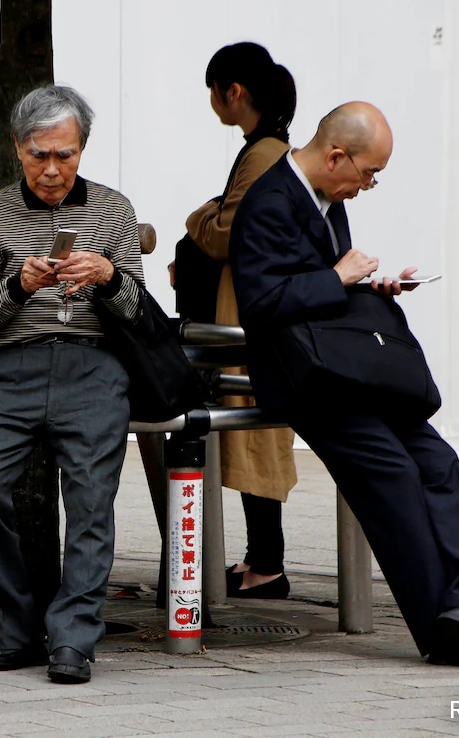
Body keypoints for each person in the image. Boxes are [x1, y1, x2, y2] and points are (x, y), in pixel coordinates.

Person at [230, 101, 459, 670]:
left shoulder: (327, 198)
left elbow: (323, 285)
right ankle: (441, 629)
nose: (368, 185)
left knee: (438, 460)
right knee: (393, 473)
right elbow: (261, 304)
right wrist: (336, 278)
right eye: (369, 173)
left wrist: (371, 286)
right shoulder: (270, 202)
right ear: (334, 156)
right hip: (309, 382)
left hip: (347, 367)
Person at [0, 84, 143, 685]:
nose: (53, 169)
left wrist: (109, 276)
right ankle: (14, 628)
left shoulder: (114, 210)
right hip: (13, 368)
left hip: (94, 367)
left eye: (65, 154)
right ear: (18, 149)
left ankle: (73, 639)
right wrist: (18, 286)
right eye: (39, 155)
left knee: (91, 500)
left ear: (82, 149)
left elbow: (138, 310)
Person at [179, 42, 298, 599]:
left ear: (235, 92)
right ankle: (261, 562)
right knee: (254, 436)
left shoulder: (263, 153)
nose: (210, 102)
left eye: (213, 90)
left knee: (254, 436)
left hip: (248, 313)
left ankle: (266, 566)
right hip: (253, 309)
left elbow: (228, 231)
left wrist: (197, 215)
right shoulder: (269, 148)